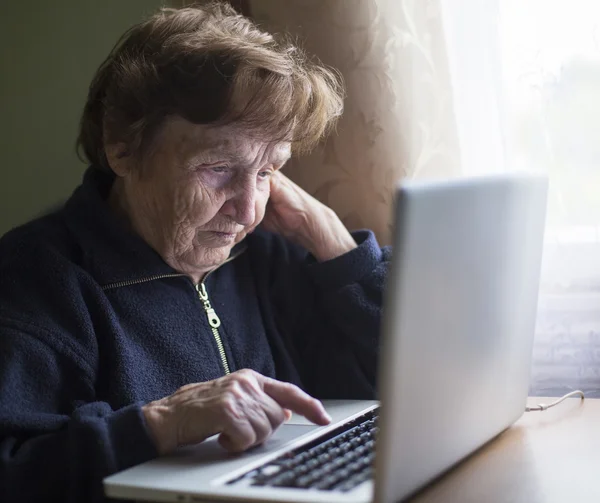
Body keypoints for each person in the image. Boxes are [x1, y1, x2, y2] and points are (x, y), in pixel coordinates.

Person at [0, 3, 390, 502]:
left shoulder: (265, 257)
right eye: (218, 167)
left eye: (269, 170)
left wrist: (334, 243)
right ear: (122, 146)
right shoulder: (40, 278)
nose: (248, 211)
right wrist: (162, 423)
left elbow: (414, 381)